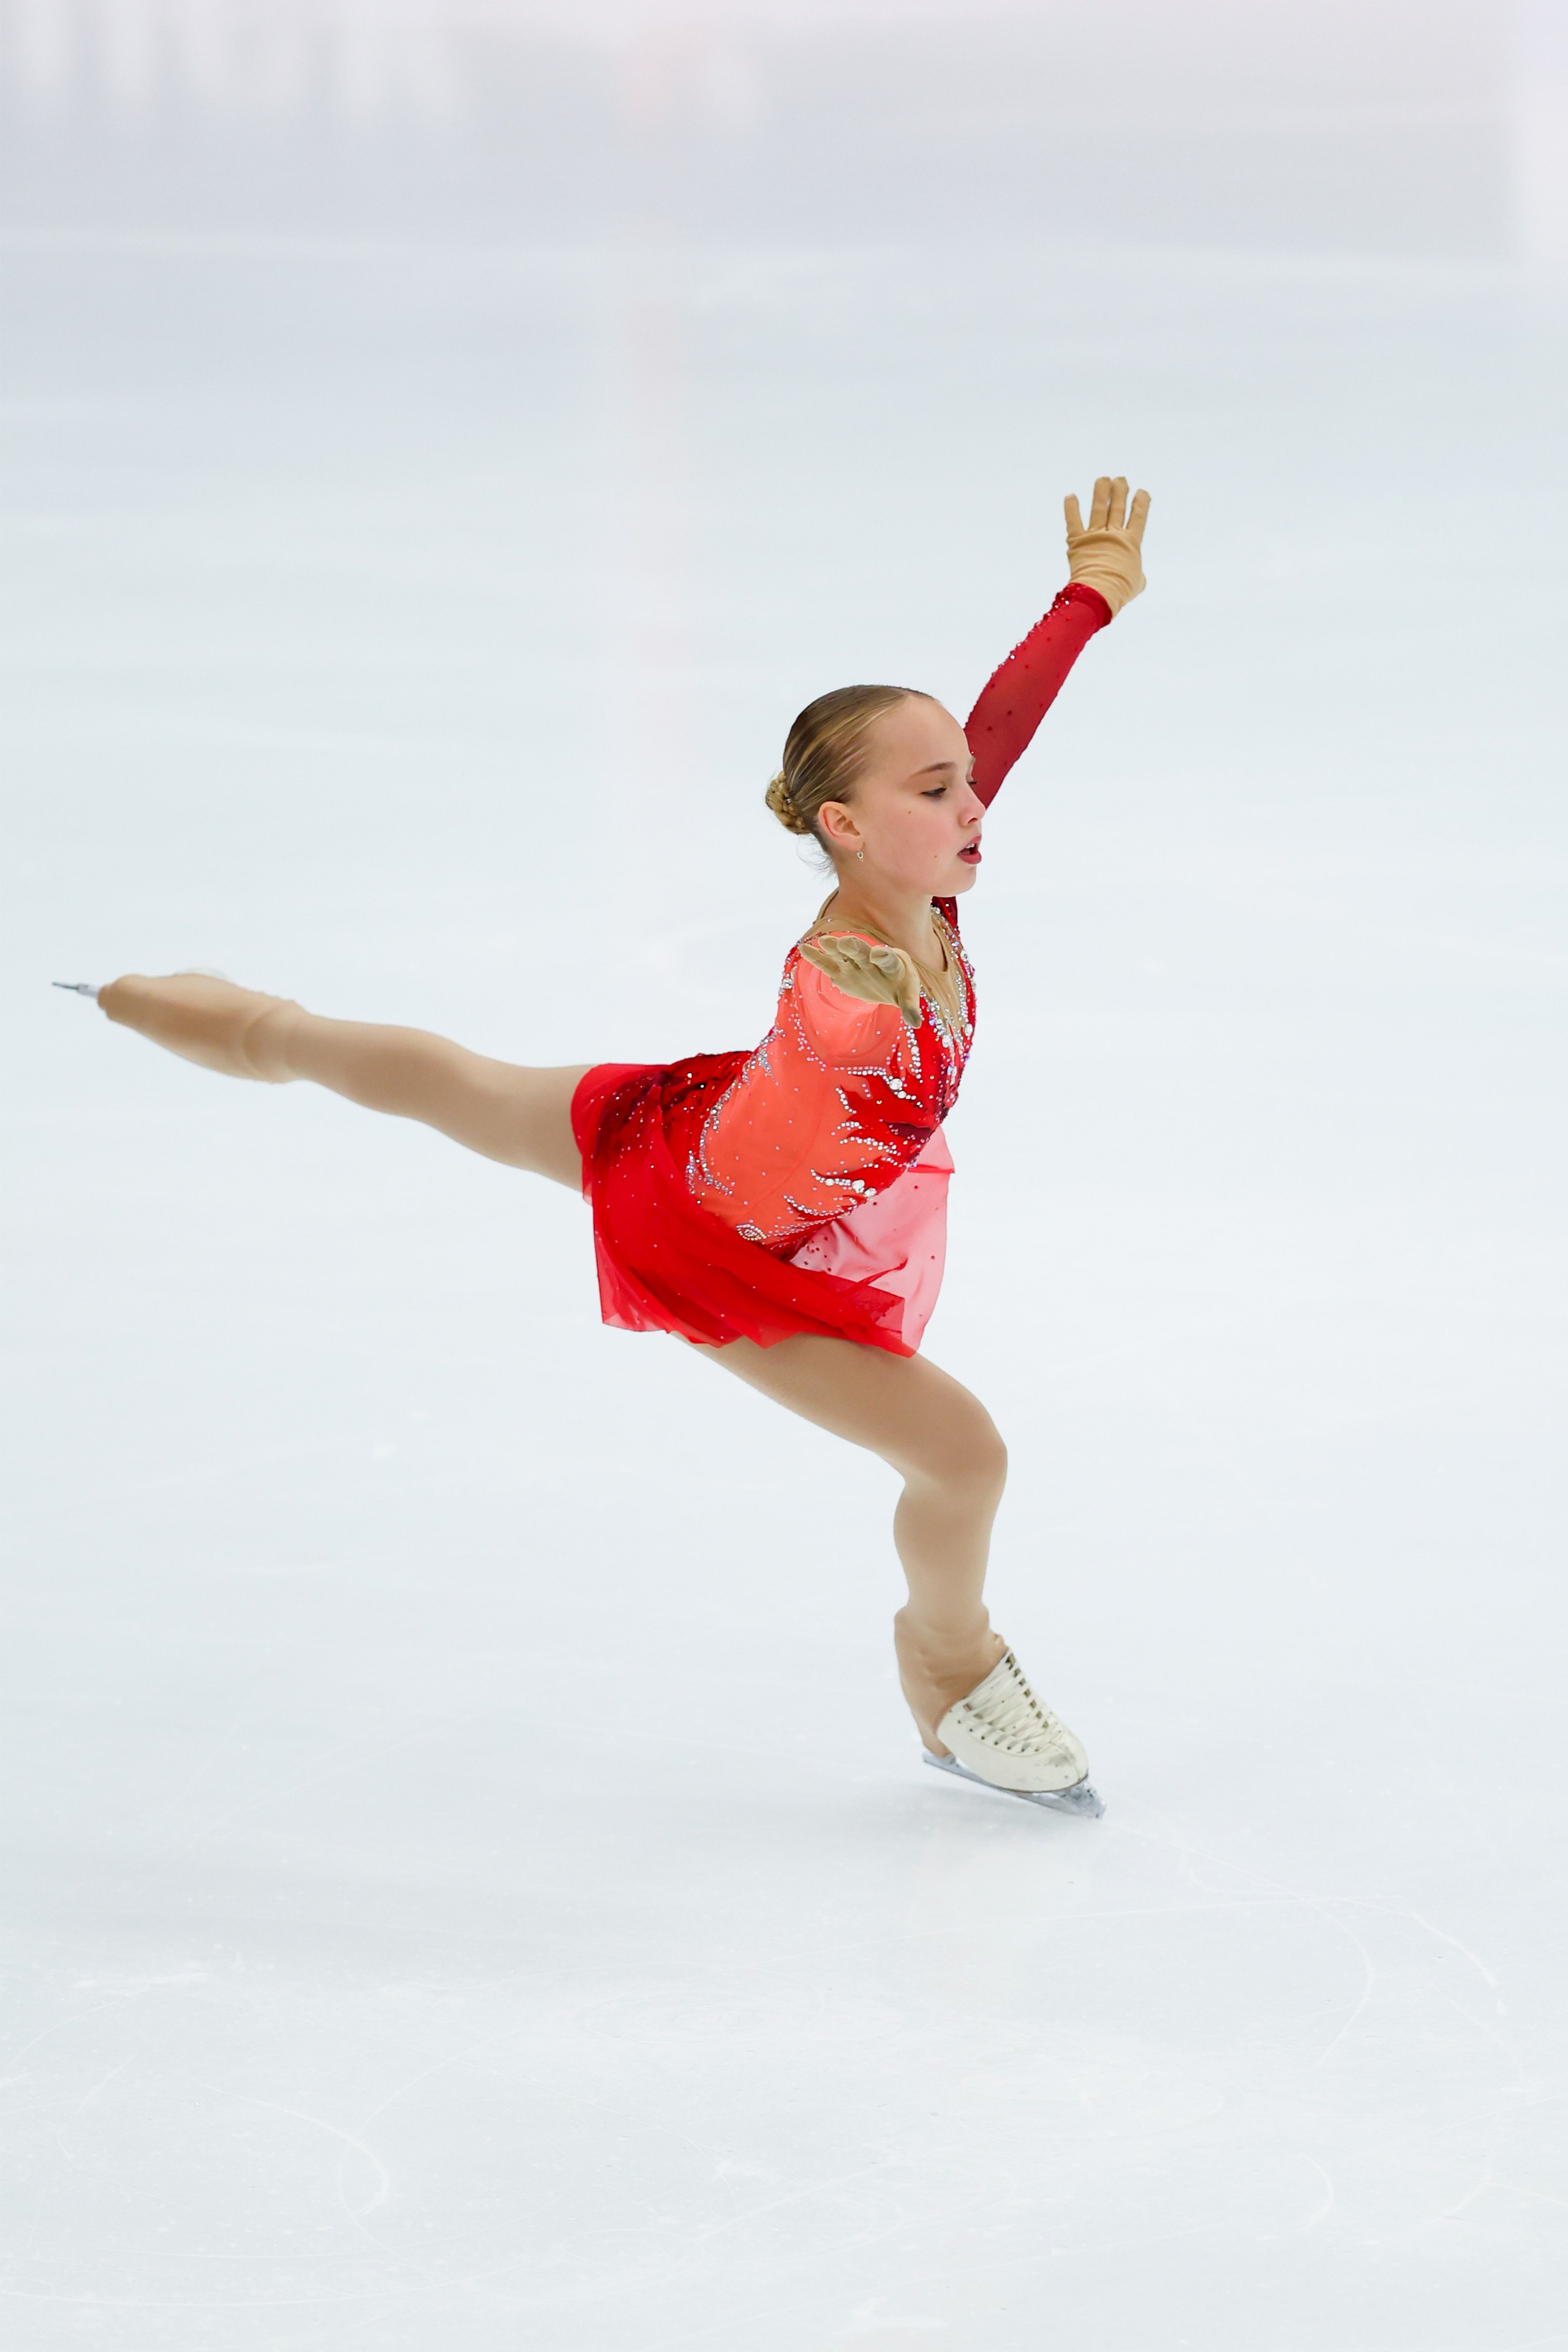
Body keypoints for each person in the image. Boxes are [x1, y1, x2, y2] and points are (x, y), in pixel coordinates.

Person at [70, 477, 1150, 1817]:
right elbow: (841, 1011)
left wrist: (1087, 596)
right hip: (713, 1242)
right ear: (844, 828)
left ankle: (224, 1016)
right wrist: (858, 1010)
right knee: (962, 1456)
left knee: (442, 1079)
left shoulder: (916, 864)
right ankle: (945, 1668)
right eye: (939, 791)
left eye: (966, 786)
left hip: (676, 1126)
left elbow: (998, 728)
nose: (975, 804)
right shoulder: (848, 968)